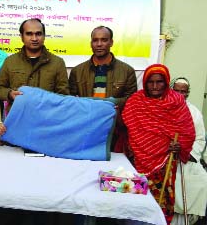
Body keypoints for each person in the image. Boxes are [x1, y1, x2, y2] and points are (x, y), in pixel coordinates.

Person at [122, 64, 195, 224]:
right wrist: (137, 146)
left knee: (159, 202)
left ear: (166, 82)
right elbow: (128, 128)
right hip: (136, 160)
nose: (154, 86)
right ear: (145, 83)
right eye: (150, 82)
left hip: (165, 161)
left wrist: (180, 145)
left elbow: (187, 131)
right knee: (134, 202)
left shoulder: (177, 102)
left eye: (159, 82)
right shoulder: (135, 101)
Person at [68, 26, 137, 153]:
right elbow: (70, 100)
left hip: (113, 131)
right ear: (91, 43)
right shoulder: (77, 71)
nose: (99, 44)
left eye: (104, 40)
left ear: (111, 42)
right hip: (85, 130)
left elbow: (132, 100)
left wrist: (113, 103)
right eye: (95, 40)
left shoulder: (127, 71)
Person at [0, 18, 69, 105]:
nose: (34, 38)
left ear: (44, 36)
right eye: (29, 34)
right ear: (22, 37)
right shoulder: (10, 61)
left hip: (46, 116)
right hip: (19, 115)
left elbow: (64, 96)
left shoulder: (57, 63)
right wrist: (10, 94)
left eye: (38, 34)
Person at [170, 77, 207, 225]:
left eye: (183, 92)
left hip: (186, 158)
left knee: (201, 180)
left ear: (188, 93)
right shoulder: (163, 107)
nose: (180, 94)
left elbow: (199, 140)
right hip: (165, 158)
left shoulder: (194, 112)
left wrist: (186, 153)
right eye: (176, 91)